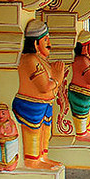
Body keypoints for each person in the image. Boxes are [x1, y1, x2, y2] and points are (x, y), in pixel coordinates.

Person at [13, 20, 68, 170]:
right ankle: (32, 161)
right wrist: (57, 77)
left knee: (45, 131)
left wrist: (55, 80)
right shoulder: (30, 60)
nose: (49, 43)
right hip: (30, 105)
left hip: (44, 105)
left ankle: (42, 157)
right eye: (45, 40)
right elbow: (44, 86)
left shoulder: (42, 61)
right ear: (36, 44)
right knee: (33, 131)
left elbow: (51, 87)